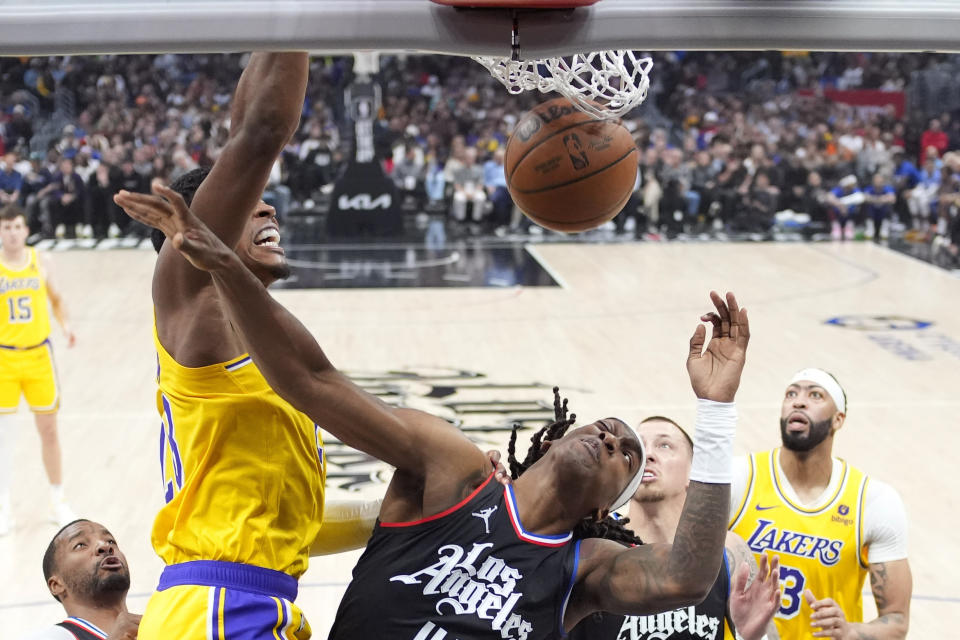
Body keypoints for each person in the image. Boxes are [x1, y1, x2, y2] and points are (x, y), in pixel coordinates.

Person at [115, 181, 750, 640]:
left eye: (626, 457)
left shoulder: (581, 570)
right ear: (553, 437)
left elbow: (685, 578)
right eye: (609, 428)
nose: (614, 437)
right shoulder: (453, 474)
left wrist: (715, 411)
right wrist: (228, 268)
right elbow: (311, 380)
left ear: (605, 510)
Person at [116, 52, 334, 639]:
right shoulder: (192, 301)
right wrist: (295, 24)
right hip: (216, 606)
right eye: (248, 201)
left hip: (252, 601)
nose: (267, 206)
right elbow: (257, 134)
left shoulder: (271, 332)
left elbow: (288, 516)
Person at [729, 368, 911, 639]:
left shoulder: (874, 501)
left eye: (815, 395)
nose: (798, 401)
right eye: (791, 393)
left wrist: (851, 631)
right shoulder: (738, 478)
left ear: (838, 419)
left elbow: (896, 622)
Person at [569, 415, 781, 640]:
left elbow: (765, 633)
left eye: (664, 445)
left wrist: (752, 636)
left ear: (695, 470)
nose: (648, 454)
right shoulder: (593, 548)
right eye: (638, 447)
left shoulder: (727, 549)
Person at [0, 204, 77, 534]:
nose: (13, 233)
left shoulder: (41, 261)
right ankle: (3, 505)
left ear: (26, 229)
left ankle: (57, 500)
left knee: (49, 431)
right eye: (6, 227)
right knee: (4, 438)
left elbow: (57, 298)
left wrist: (67, 325)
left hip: (39, 357)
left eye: (18, 226)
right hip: (4, 359)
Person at [23, 519, 141, 640]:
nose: (105, 546)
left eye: (110, 541)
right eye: (80, 545)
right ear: (56, 585)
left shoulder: (152, 627)